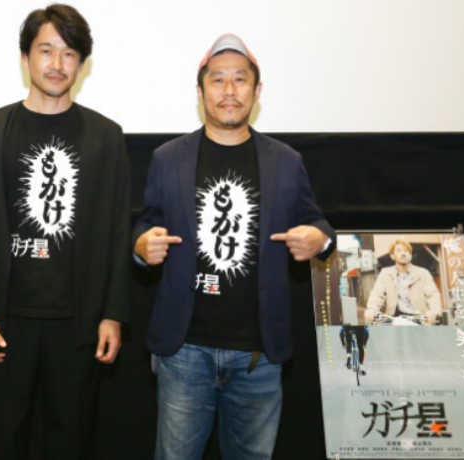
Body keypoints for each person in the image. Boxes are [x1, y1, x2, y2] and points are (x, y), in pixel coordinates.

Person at [132, 33, 336, 460]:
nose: (229, 90)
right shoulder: (168, 158)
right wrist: (141, 244)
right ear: (200, 90)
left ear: (257, 91)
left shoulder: (286, 161)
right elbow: (146, 222)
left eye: (240, 80)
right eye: (218, 80)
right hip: (184, 351)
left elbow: (318, 223)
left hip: (258, 356)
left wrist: (320, 239)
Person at [0, 5, 130, 459]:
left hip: (78, 323)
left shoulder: (106, 137)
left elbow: (117, 232)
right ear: (25, 57)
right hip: (3, 320)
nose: (57, 64)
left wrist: (112, 314)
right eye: (46, 50)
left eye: (69, 54)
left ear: (82, 64)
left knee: (70, 441)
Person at [364, 240, 441, 325]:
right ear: (392, 256)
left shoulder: (423, 273)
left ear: (410, 255)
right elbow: (377, 294)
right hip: (394, 319)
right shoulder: (385, 273)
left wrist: (434, 311)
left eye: (406, 251)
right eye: (399, 251)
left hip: (418, 318)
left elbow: (432, 295)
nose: (403, 253)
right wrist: (372, 309)